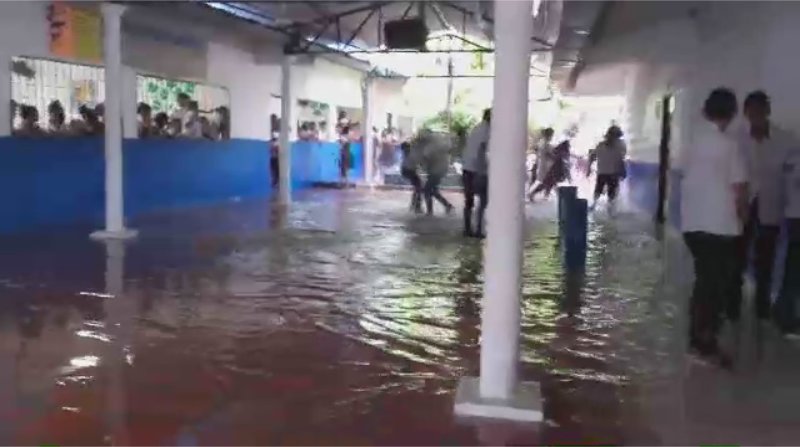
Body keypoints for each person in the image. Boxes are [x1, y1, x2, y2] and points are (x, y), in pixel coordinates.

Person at [678, 88, 747, 363]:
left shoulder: (691, 140)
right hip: (719, 225)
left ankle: (699, 336)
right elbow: (740, 187)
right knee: (714, 284)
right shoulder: (729, 145)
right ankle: (702, 341)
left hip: (692, 224)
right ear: (731, 113)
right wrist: (744, 216)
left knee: (705, 280)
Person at [728, 91, 796, 322]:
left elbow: (790, 177)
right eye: (751, 111)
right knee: (737, 257)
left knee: (765, 260)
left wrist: (790, 209)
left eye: (760, 111)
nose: (756, 116)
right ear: (745, 113)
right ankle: (733, 306)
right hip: (741, 207)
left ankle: (761, 308)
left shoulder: (786, 140)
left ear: (767, 111)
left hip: (771, 207)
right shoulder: (735, 139)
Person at [775, 147, 800, 334]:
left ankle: (781, 309)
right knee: (794, 271)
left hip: (792, 215)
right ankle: (787, 319)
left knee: (792, 267)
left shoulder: (792, 156)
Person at [461, 108, 491, 237]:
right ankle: (479, 229)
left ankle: (467, 228)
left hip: (467, 167)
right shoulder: (488, 130)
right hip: (478, 169)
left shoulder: (476, 128)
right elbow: (482, 149)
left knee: (469, 200)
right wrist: (481, 171)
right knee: (484, 199)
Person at [588, 125, 627, 207]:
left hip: (606, 172)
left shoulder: (603, 145)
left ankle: (596, 206)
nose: (617, 139)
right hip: (610, 173)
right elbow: (621, 159)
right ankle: (605, 209)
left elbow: (592, 156)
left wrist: (589, 168)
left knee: (601, 191)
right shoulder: (618, 146)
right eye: (617, 137)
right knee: (608, 192)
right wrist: (589, 168)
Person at [420, 128, 455, 215]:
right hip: (439, 169)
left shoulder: (430, 145)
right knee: (433, 190)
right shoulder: (439, 141)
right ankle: (447, 206)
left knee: (427, 190)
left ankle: (430, 211)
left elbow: (426, 157)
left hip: (436, 170)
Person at [528, 128, 554, 200]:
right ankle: (530, 193)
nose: (552, 137)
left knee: (541, 180)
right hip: (544, 164)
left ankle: (532, 193)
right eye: (552, 135)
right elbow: (550, 153)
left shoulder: (542, 142)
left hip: (542, 163)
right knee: (539, 181)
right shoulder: (545, 143)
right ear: (549, 135)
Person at [400, 141, 423, 213]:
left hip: (407, 171)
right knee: (418, 187)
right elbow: (417, 163)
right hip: (408, 171)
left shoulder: (408, 154)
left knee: (418, 188)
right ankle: (416, 206)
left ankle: (415, 205)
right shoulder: (409, 154)